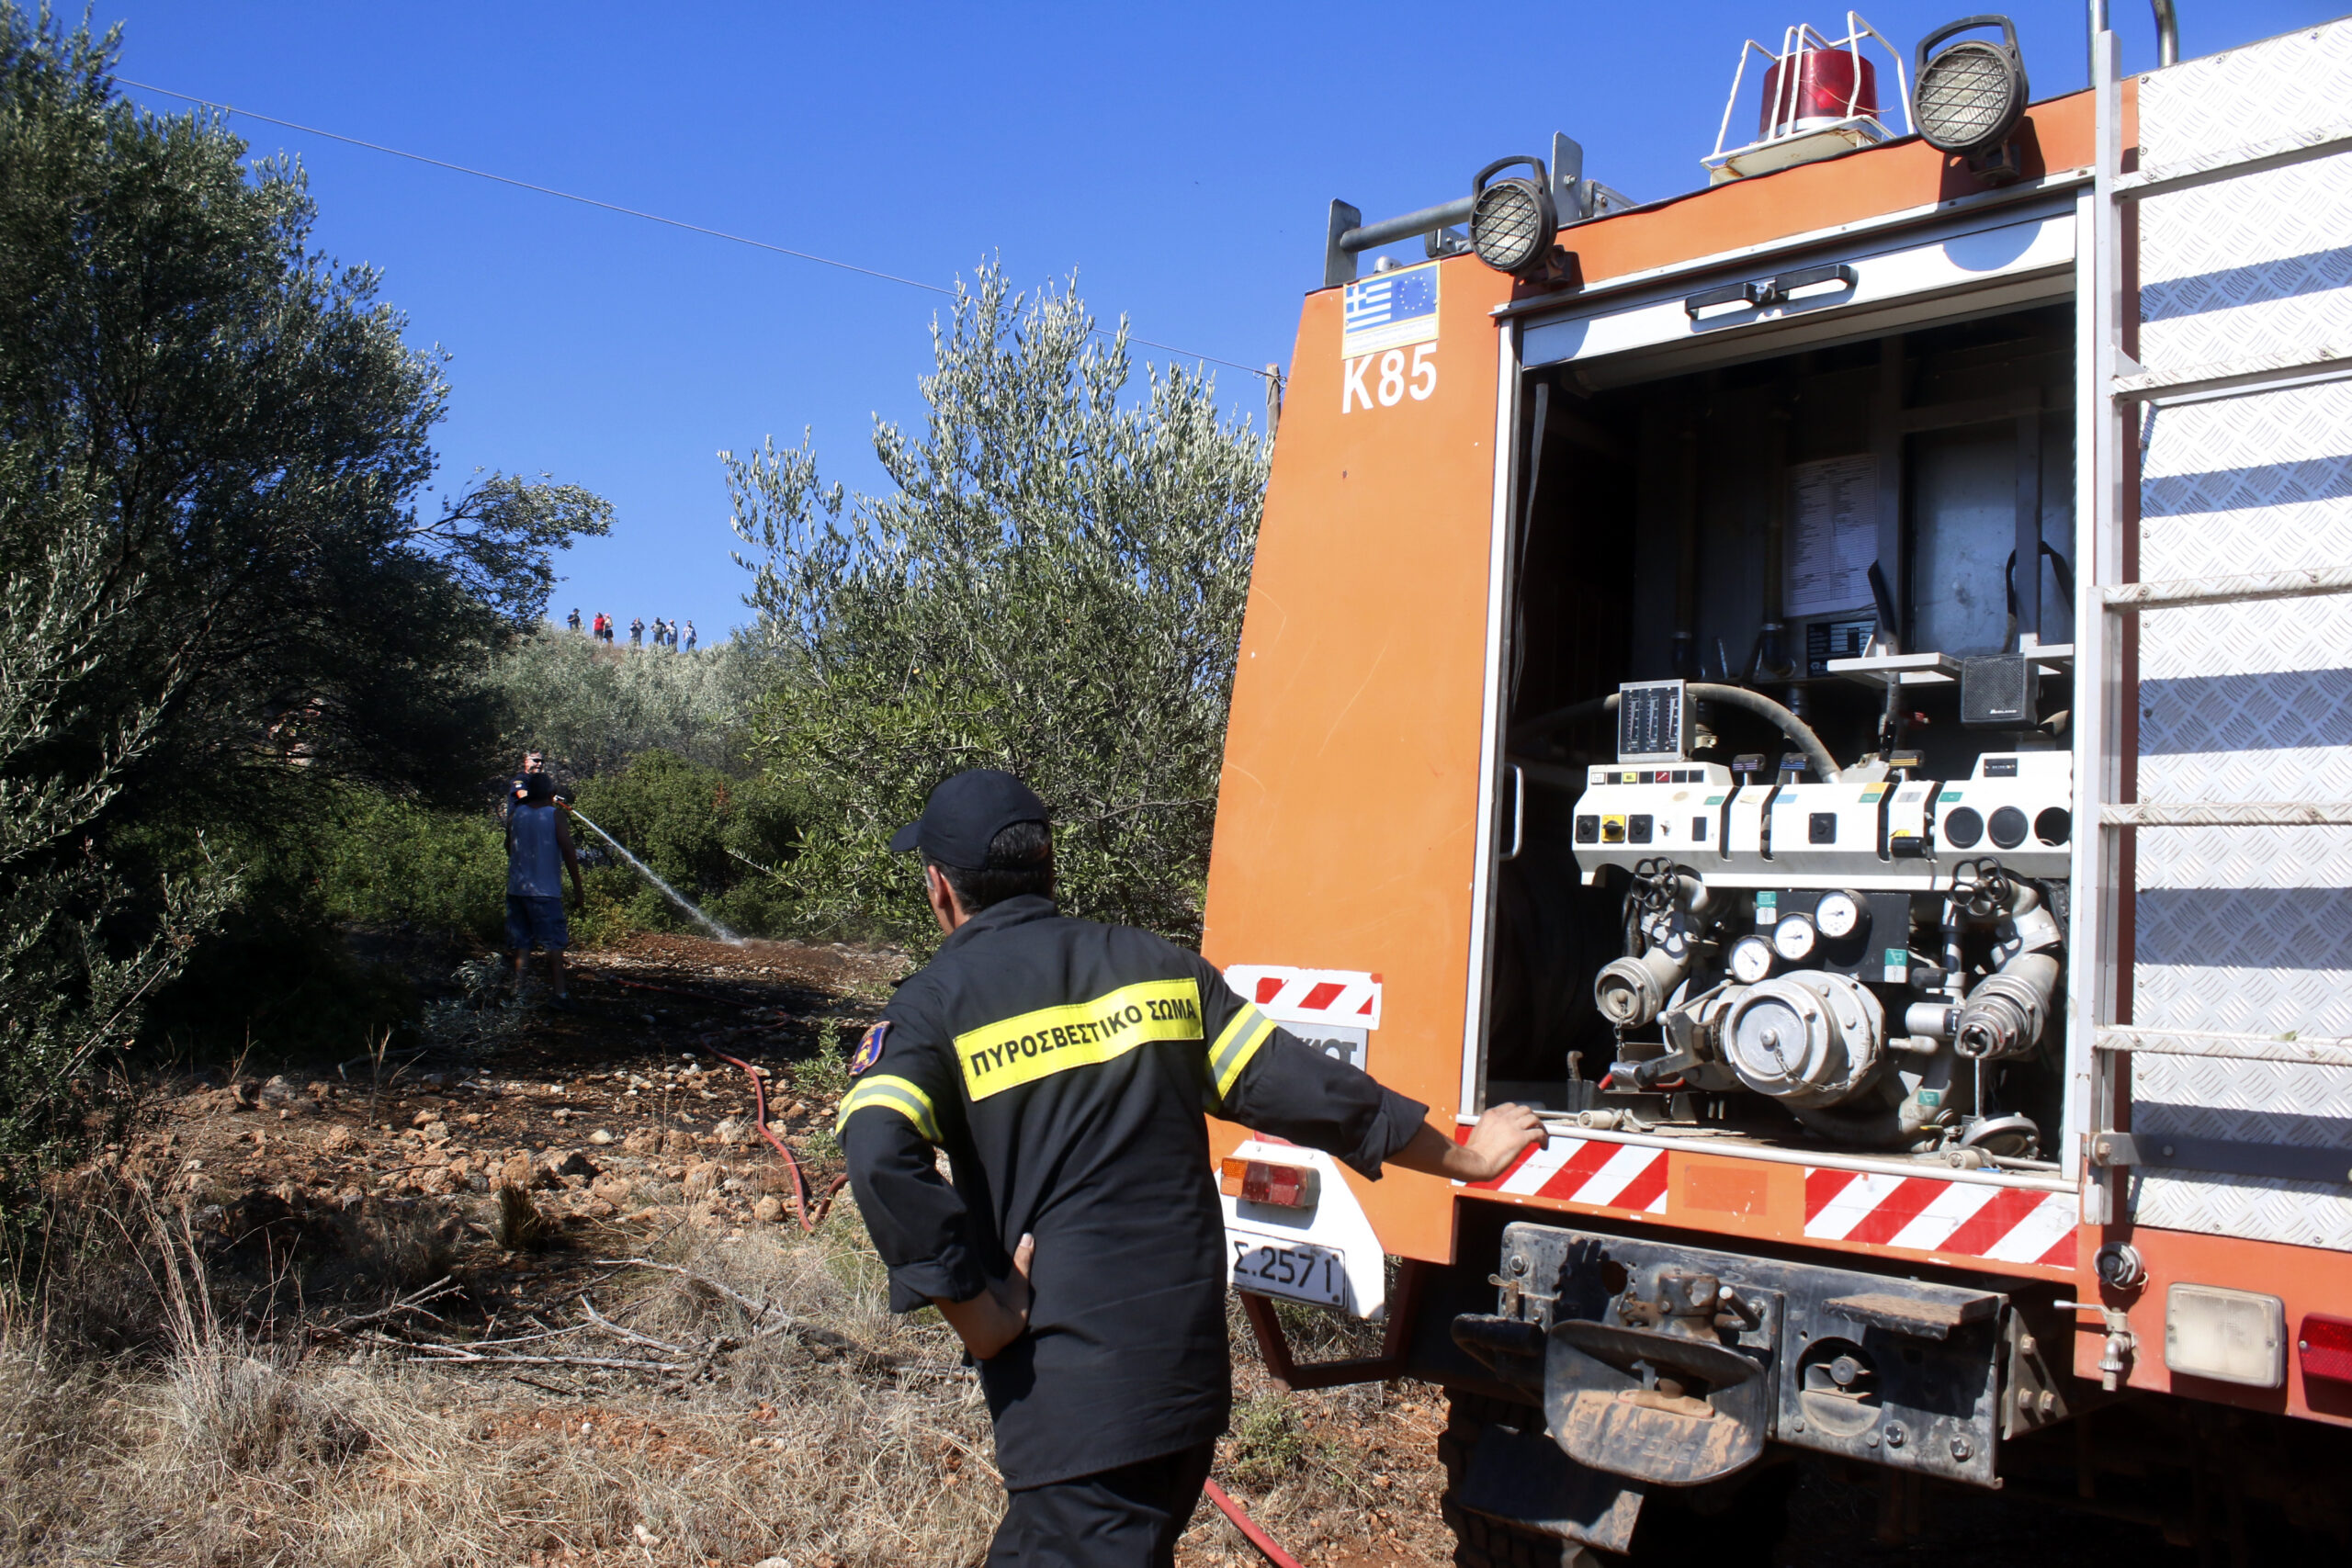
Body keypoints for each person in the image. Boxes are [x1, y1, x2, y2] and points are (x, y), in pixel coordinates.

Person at [838, 769, 1544, 1568]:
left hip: (1079, 1405)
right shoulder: (1160, 970)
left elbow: (875, 1146)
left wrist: (977, 1310)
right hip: (1182, 1390)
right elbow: (1315, 1092)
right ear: (1049, 866)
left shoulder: (933, 1005)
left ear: (940, 889)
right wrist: (1466, 1156)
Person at [504, 771, 583, 1005]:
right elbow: (569, 852)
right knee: (554, 945)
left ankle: (517, 993)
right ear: (552, 794)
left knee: (522, 944)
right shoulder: (555, 816)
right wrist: (578, 889)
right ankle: (560, 994)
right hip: (545, 892)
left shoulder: (516, 814)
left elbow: (508, 846)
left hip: (517, 890)